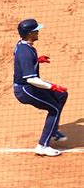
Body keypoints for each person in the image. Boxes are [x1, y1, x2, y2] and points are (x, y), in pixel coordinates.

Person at [13, 19, 69, 157]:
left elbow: (22, 62)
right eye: (36, 30)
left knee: (62, 96)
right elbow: (31, 79)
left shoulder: (23, 45)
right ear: (29, 33)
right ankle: (42, 146)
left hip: (29, 86)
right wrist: (53, 86)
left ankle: (53, 129)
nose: (38, 32)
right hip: (26, 90)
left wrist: (37, 60)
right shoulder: (25, 52)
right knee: (54, 108)